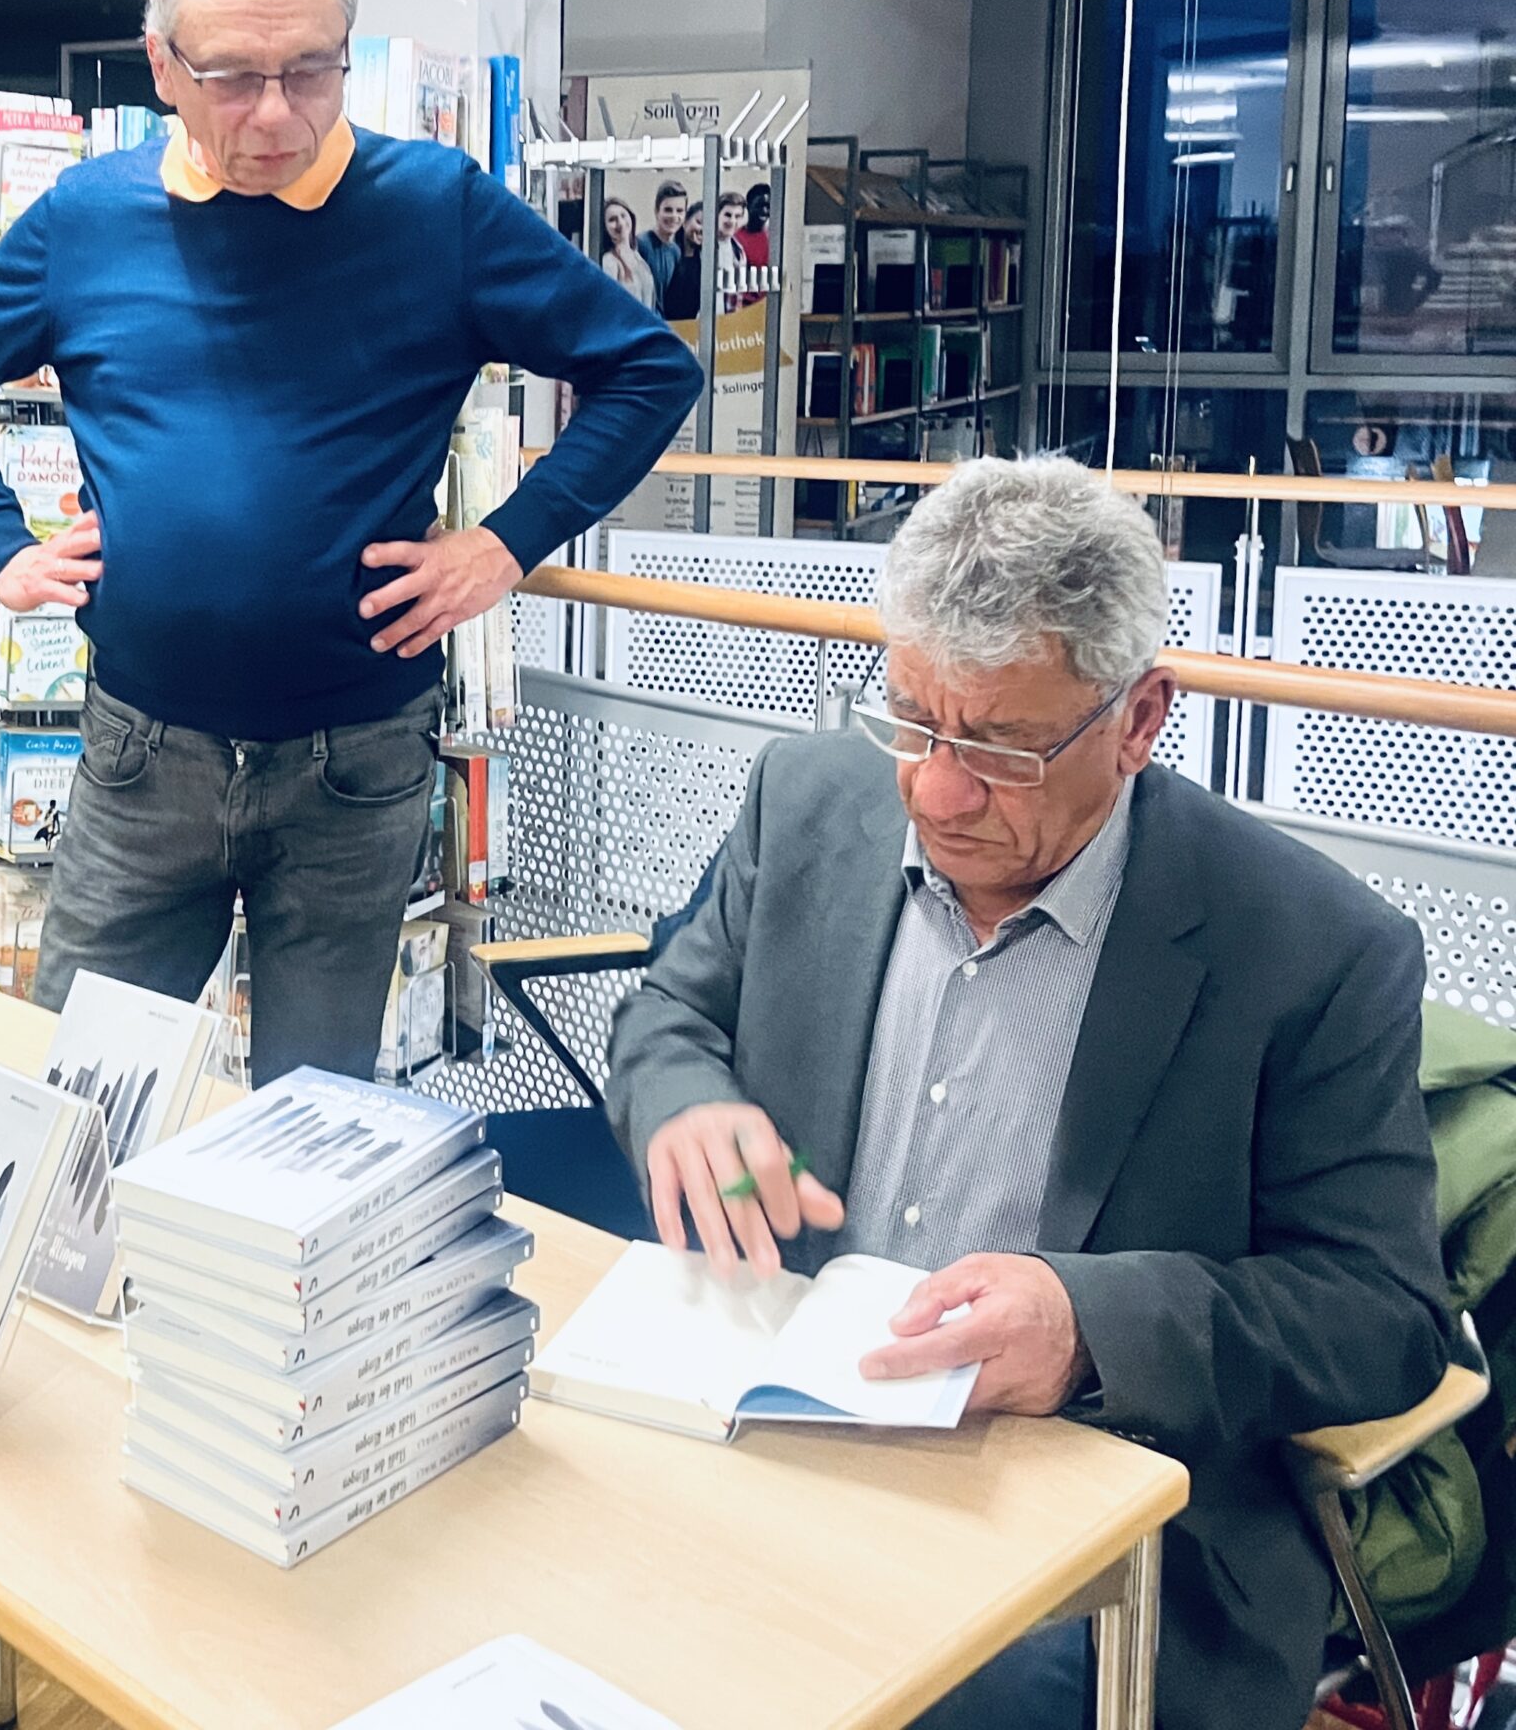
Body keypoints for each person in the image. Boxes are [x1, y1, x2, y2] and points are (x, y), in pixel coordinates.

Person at [0, 0, 701, 1688]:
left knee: (318, 1141)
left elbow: (651, 369)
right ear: (160, 62)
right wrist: (4, 547)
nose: (275, 112)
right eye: (233, 75)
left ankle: (274, 1513)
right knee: (66, 1133)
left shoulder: (435, 209)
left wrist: (505, 546)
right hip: (141, 758)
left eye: (311, 70)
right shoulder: (92, 214)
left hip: (355, 768)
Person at [604, 456, 1450, 1730]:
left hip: (1091, 1524)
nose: (936, 791)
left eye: (999, 747)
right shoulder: (810, 802)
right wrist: (682, 1101)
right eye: (911, 720)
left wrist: (1091, 1325)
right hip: (775, 1428)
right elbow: (669, 1013)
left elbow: (1384, 1317)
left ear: (1140, 716)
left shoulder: (1310, 949)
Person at [637, 180, 687, 316]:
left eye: (679, 211)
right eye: (668, 210)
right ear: (656, 211)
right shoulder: (641, 244)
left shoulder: (675, 251)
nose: (674, 216)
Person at [599, 196, 656, 308]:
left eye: (623, 216)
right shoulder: (609, 261)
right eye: (612, 220)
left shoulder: (639, 259)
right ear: (604, 228)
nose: (620, 223)